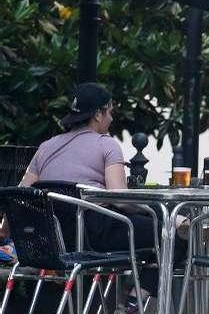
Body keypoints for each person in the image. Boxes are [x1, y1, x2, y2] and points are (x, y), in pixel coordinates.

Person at [15, 83, 161, 313]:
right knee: (166, 232)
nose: (111, 118)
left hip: (52, 241)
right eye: (110, 111)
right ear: (97, 114)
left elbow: (22, 193)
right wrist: (154, 209)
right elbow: (119, 200)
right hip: (93, 237)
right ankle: (134, 301)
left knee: (159, 232)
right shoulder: (107, 145)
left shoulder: (46, 147)